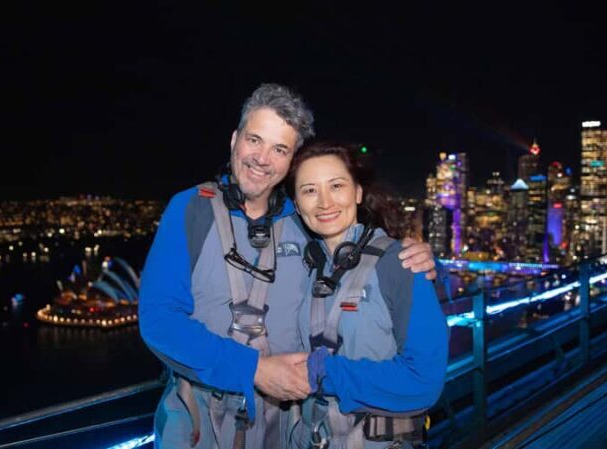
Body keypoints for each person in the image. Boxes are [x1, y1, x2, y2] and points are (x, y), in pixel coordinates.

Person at [139, 84, 437, 449]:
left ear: (291, 161)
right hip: (201, 428)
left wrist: (419, 258)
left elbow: (364, 264)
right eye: (255, 140)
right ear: (235, 139)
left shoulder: (306, 221)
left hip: (287, 428)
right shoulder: (191, 210)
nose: (262, 158)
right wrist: (253, 370)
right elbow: (159, 320)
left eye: (279, 149)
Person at [286, 142, 449, 449]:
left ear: (358, 193)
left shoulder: (401, 264)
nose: (324, 202)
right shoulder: (302, 268)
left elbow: (424, 381)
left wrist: (318, 374)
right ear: (296, 204)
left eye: (336, 186)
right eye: (309, 191)